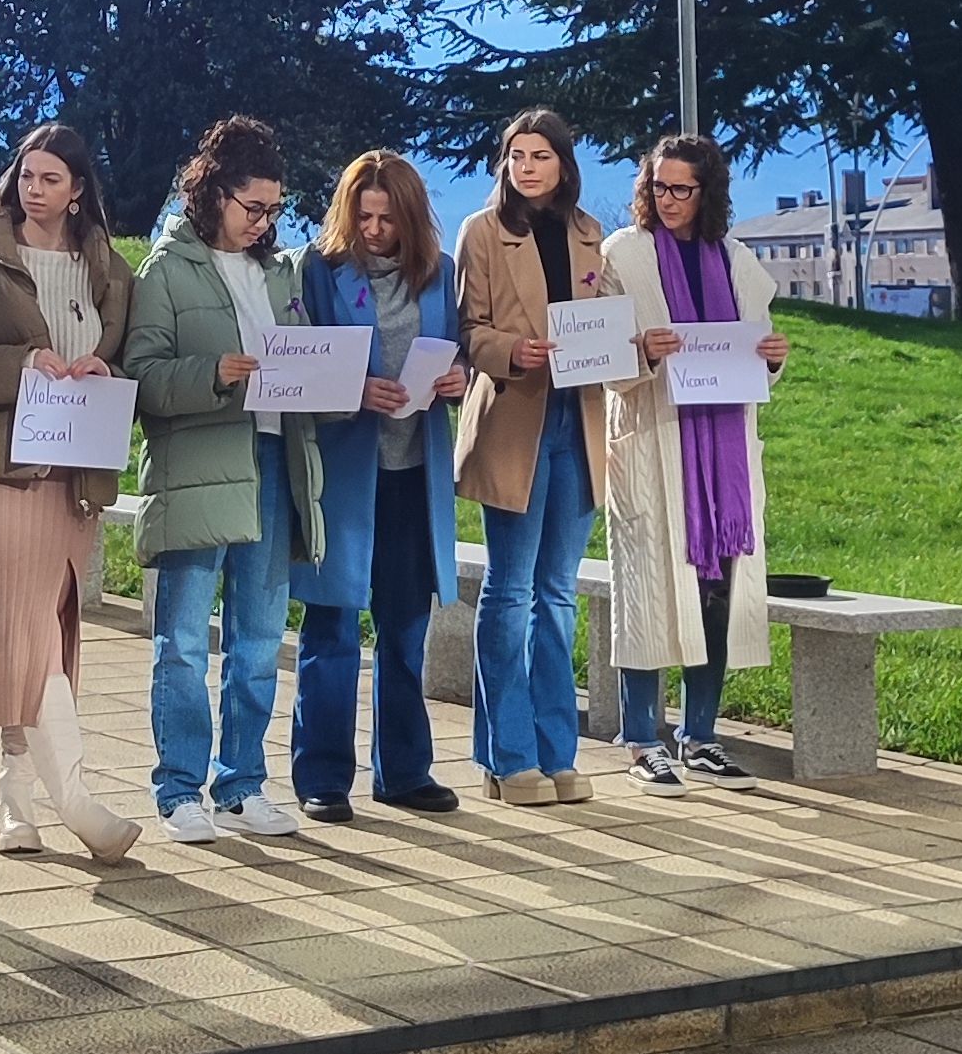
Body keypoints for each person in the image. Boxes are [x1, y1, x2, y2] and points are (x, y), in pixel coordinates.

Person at [0, 125, 142, 863]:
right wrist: (22, 363)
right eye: (26, 175)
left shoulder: (111, 268)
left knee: (51, 628)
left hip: (75, 471)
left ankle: (14, 799)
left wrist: (104, 376)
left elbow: (126, 355)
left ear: (78, 189)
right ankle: (77, 800)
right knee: (24, 631)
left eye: (51, 178)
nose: (34, 189)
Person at [124, 115, 324, 843]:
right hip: (198, 467)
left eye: (274, 208)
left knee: (259, 639)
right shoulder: (165, 269)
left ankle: (241, 783)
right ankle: (179, 788)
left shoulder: (281, 271)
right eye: (252, 207)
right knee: (181, 639)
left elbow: (303, 358)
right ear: (212, 193)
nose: (264, 221)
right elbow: (140, 378)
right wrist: (211, 374)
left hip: (275, 462)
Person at [601, 134, 789, 796]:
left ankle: (702, 734)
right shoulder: (622, 255)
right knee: (649, 591)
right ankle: (642, 738)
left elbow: (757, 351)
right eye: (659, 187)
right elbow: (601, 359)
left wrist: (771, 356)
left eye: (683, 189)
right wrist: (641, 350)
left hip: (724, 454)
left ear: (707, 192)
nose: (670, 200)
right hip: (654, 443)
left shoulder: (737, 263)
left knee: (717, 587)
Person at [290, 151, 467, 823]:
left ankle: (403, 769)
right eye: (362, 215)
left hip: (413, 476)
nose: (372, 228)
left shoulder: (440, 275)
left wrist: (460, 380)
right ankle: (323, 775)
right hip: (344, 471)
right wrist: (353, 387)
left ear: (410, 217)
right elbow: (297, 364)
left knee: (404, 627)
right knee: (332, 624)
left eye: (386, 217)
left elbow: (462, 352)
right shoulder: (319, 270)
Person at [452, 108, 607, 807]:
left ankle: (557, 749)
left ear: (564, 165)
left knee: (558, 595)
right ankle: (505, 753)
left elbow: (609, 322)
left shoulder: (588, 234)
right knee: (510, 592)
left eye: (540, 154)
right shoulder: (482, 232)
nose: (527, 166)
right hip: (514, 420)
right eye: (517, 154)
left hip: (580, 421)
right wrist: (512, 350)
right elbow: (469, 331)